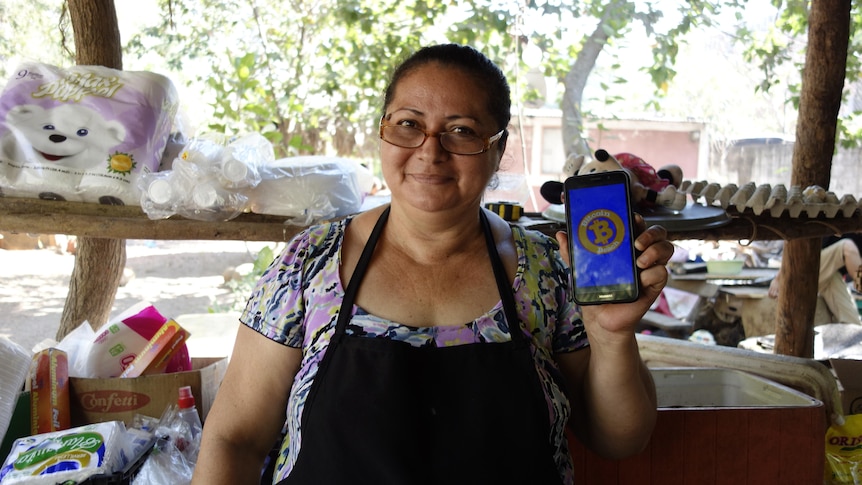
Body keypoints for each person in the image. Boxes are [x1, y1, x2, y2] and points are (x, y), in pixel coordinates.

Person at [192, 43, 673, 485]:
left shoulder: (546, 269)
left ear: (498, 148)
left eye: (461, 130)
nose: (430, 150)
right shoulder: (310, 263)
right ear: (382, 130)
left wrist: (612, 337)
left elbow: (619, 440)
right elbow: (234, 439)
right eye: (408, 123)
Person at [767, 236, 862, 325]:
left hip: (829, 276)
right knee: (847, 246)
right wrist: (778, 279)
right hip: (803, 269)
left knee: (854, 325)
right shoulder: (840, 222)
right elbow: (797, 245)